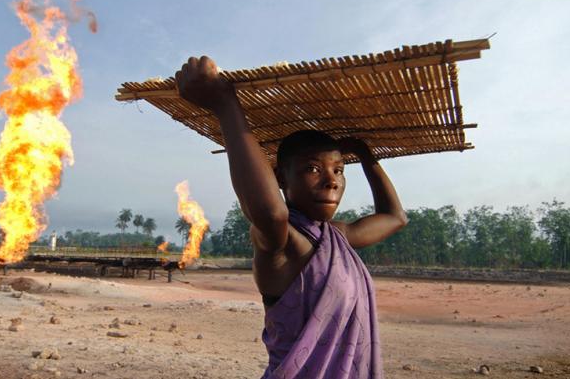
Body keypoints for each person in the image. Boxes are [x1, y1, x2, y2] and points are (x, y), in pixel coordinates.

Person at [175, 56, 408, 379]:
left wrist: (367, 158)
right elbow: (271, 212)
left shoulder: (334, 236)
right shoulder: (281, 243)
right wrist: (225, 105)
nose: (332, 181)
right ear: (280, 179)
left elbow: (395, 217)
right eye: (313, 169)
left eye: (339, 170)